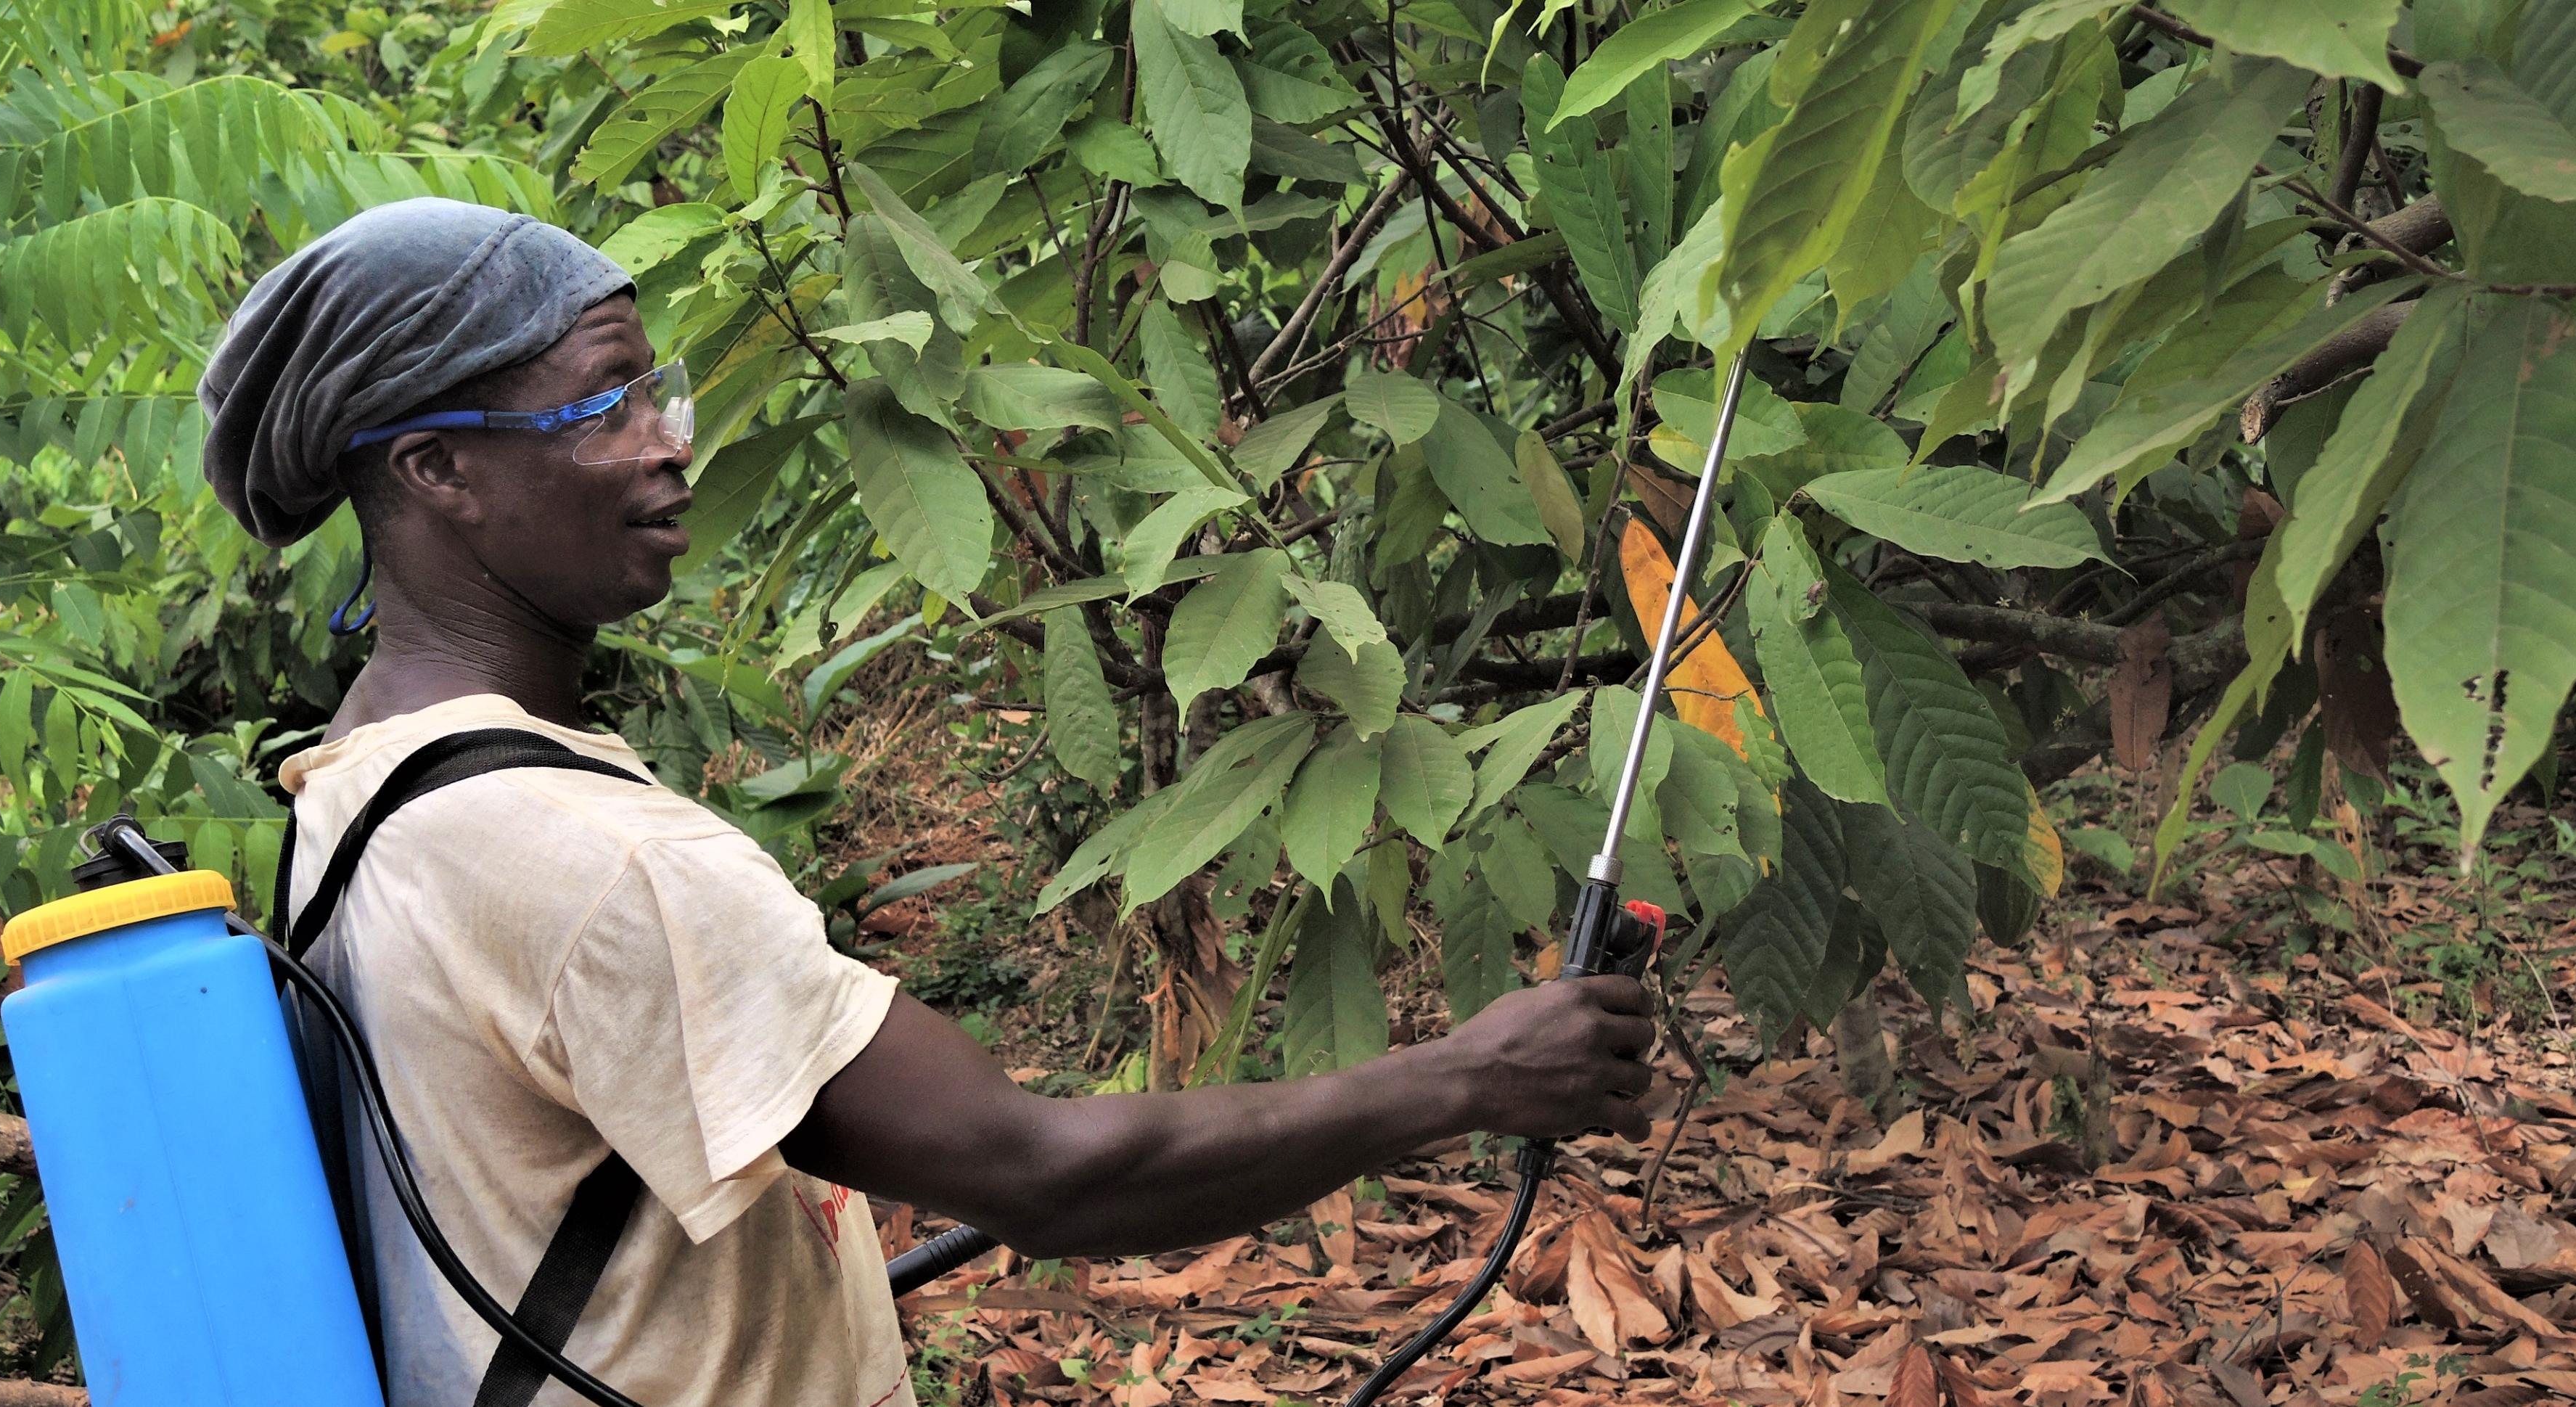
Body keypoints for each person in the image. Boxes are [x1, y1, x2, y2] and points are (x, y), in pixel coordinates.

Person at [198, 197, 1655, 1407]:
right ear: (436, 470)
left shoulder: (367, 782)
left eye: (659, 390)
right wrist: (1466, 1077)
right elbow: (1043, 1171)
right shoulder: (585, 857)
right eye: (600, 403)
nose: (667, 440)